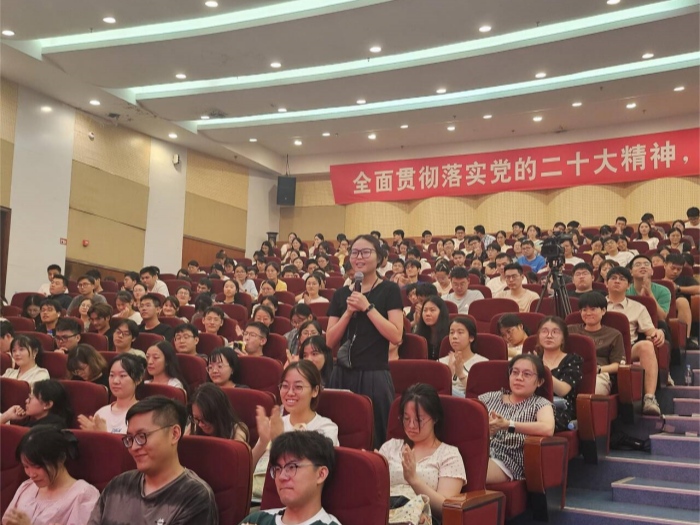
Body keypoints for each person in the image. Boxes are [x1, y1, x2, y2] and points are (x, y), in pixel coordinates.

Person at [88, 397, 218, 524]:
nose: (134, 447)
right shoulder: (117, 486)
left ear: (174, 434)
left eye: (142, 436)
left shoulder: (195, 497)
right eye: (130, 438)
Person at [326, 234, 403, 447]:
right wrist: (348, 312)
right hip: (341, 375)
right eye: (355, 253)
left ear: (379, 257)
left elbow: (396, 335)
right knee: (340, 439)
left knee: (375, 440)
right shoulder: (341, 294)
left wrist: (367, 307)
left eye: (366, 252)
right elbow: (329, 341)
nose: (359, 257)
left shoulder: (389, 290)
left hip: (374, 375)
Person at [251, 361, 339, 499]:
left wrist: (277, 440)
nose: (290, 393)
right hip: (255, 496)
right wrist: (263, 441)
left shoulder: (325, 428)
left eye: (298, 387)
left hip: (290, 499)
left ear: (315, 391)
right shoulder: (276, 423)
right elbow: (247, 469)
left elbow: (307, 476)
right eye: (285, 386)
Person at [378, 383, 466, 521]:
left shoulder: (449, 455)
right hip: (384, 513)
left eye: (419, 420)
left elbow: (446, 508)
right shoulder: (390, 447)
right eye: (406, 419)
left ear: (435, 418)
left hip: (423, 518)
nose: (411, 425)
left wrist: (413, 479)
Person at [479, 354, 555, 483]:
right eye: (515, 372)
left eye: (527, 374)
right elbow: (466, 417)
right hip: (479, 451)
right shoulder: (489, 398)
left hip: (506, 461)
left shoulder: (540, 404)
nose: (519, 378)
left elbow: (547, 428)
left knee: (466, 469)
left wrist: (508, 425)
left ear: (539, 382)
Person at [3, 426, 100, 525]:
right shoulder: (26, 487)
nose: (31, 474)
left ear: (60, 459)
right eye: (26, 466)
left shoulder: (83, 495)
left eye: (37, 466)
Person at [241, 431, 340, 525]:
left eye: (292, 467)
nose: (281, 477)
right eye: (278, 469)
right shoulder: (256, 520)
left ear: (321, 474)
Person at [606, 267, 664, 415]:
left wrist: (659, 332)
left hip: (626, 350)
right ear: (606, 283)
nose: (617, 281)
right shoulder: (595, 305)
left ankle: (649, 398)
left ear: (628, 285)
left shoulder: (638, 308)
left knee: (647, 345)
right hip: (600, 349)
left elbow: (651, 331)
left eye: (622, 279)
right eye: (613, 278)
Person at [568, 292, 625, 395]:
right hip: (570, 371)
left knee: (592, 388)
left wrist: (597, 369)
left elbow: (618, 365)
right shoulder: (570, 330)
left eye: (593, 309)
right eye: (584, 310)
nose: (588, 313)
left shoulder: (614, 335)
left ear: (603, 311)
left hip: (599, 374)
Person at [534, 317, 583, 431]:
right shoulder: (532, 359)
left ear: (563, 339)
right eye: (544, 331)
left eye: (555, 332)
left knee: (534, 420)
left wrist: (541, 368)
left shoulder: (573, 360)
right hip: (532, 405)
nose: (549, 336)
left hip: (560, 409)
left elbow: (562, 390)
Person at [78, 354, 145, 433]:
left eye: (122, 376)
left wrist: (104, 435)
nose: (115, 381)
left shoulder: (142, 414)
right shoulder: (101, 413)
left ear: (138, 379)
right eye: (112, 375)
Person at [439, 317, 487, 397]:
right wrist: (448, 373)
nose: (454, 336)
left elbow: (482, 393)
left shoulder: (482, 363)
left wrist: (460, 374)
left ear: (471, 338)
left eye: (460, 332)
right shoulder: (440, 362)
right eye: (451, 332)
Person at [0, 379, 73, 428]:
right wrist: (7, 416)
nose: (26, 401)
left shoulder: (48, 430)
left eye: (30, 398)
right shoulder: (35, 424)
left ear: (47, 404)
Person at [663, 253, 699, 349]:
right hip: (659, 302)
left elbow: (698, 289)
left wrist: (678, 288)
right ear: (665, 265)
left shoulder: (685, 279)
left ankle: (685, 338)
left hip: (677, 301)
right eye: (673, 268)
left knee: (682, 301)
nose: (675, 271)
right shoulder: (657, 280)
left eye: (679, 269)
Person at [414, 296, 450, 360]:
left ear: (441, 312)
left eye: (432, 310)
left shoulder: (450, 334)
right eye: (425, 310)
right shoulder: (418, 335)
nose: (427, 314)